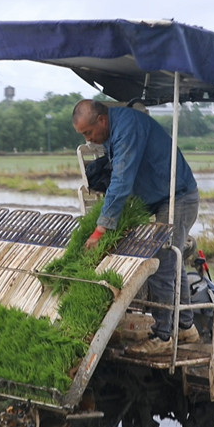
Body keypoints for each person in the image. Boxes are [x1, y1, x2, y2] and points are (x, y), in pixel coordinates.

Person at [72, 99, 200, 355]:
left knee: (164, 259)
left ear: (101, 120)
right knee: (174, 259)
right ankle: (186, 327)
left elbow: (121, 181)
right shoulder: (115, 128)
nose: (88, 139)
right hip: (161, 197)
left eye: (88, 133)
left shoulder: (127, 128)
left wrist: (100, 230)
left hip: (178, 197)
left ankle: (164, 337)